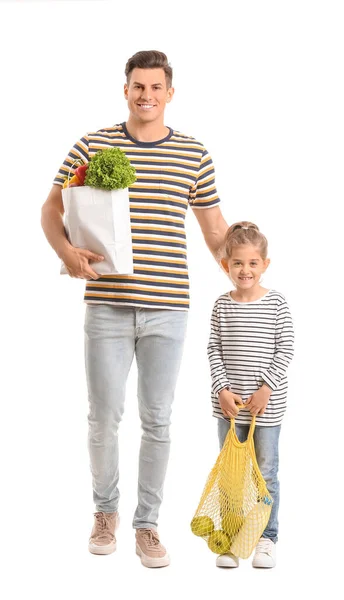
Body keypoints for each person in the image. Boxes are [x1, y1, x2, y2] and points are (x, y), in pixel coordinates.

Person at [41, 50, 228, 568]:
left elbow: (214, 230)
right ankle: (106, 514)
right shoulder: (93, 144)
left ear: (171, 93)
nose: (147, 95)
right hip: (107, 305)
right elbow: (51, 208)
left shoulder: (194, 153)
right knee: (103, 418)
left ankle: (147, 525)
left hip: (169, 309)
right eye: (138, 86)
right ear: (125, 89)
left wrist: (241, 270)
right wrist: (66, 252)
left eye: (156, 87)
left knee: (159, 420)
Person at [207, 221, 294, 569]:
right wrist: (222, 390)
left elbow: (285, 349)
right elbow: (213, 349)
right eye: (238, 263)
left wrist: (266, 388)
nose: (245, 270)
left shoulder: (276, 304)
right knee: (232, 474)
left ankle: (266, 538)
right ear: (227, 265)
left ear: (264, 264)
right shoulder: (221, 306)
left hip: (266, 410)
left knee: (266, 472)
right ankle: (231, 536)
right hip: (230, 410)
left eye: (252, 263)